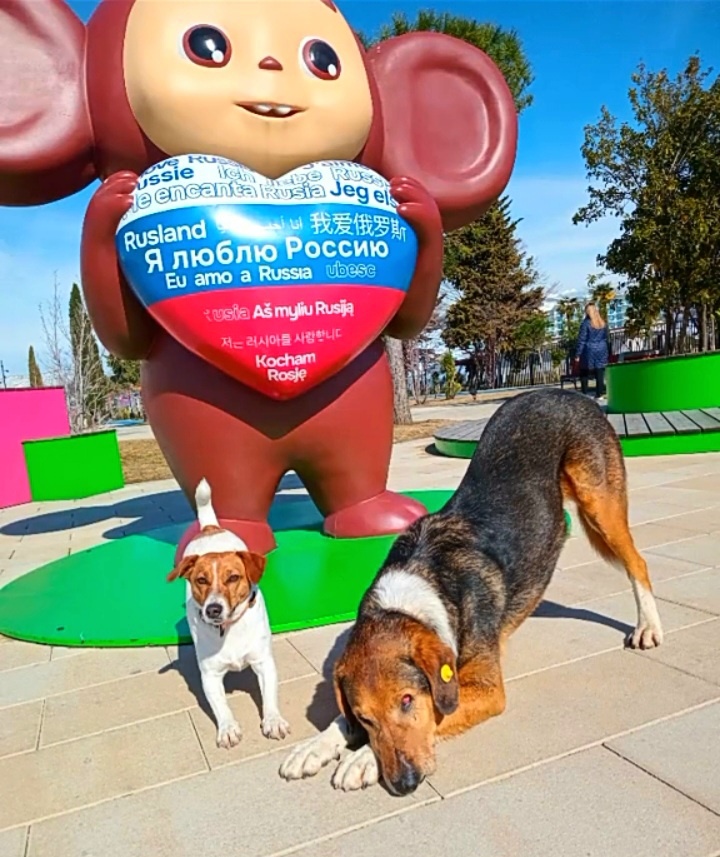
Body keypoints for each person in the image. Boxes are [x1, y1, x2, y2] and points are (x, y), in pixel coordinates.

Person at [574, 302, 611, 400]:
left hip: (589, 349)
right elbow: (607, 338)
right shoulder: (602, 323)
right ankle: (599, 394)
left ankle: (584, 394)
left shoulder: (586, 324)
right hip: (602, 349)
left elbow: (582, 340)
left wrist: (577, 354)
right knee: (599, 371)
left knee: (584, 370)